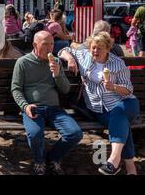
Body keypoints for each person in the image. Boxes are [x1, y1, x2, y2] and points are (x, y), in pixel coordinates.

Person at [58, 31, 140, 175]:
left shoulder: (117, 63)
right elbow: (63, 50)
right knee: (121, 122)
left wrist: (113, 87)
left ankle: (113, 160)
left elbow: (128, 90)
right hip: (99, 109)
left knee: (119, 113)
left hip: (126, 104)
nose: (95, 51)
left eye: (99, 48)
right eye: (93, 47)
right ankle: (130, 167)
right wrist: (70, 59)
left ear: (108, 49)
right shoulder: (84, 56)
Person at [11, 31, 82, 175]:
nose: (49, 48)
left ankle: (53, 157)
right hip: (33, 108)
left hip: (54, 109)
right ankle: (39, 161)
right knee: (35, 134)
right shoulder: (23, 62)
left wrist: (57, 75)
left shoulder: (55, 62)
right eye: (45, 44)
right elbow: (16, 89)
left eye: (52, 44)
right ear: (35, 45)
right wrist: (25, 106)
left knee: (75, 133)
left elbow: (65, 89)